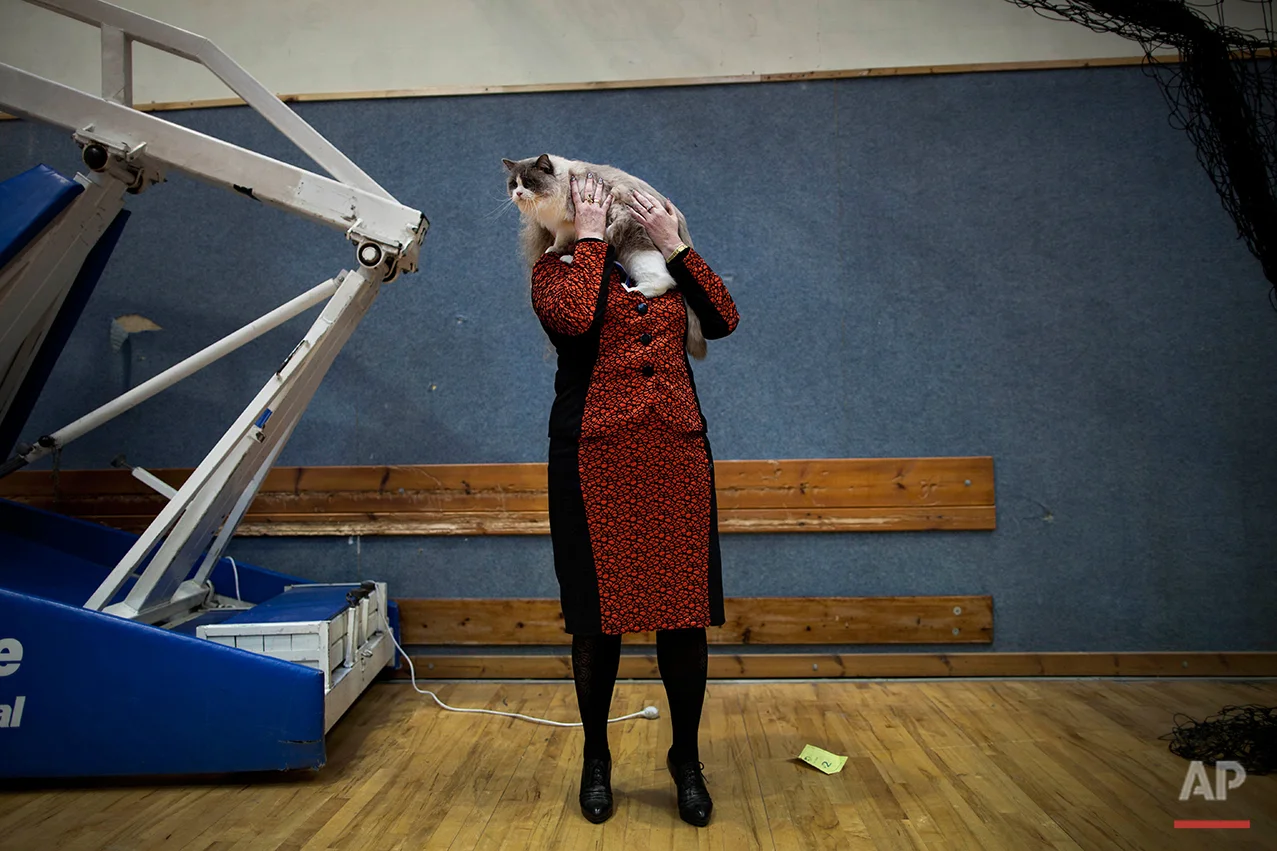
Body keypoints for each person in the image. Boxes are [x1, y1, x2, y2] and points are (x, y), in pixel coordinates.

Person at [528, 171, 739, 827]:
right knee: (597, 617)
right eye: (582, 206)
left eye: (599, 206)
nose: (594, 210)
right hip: (593, 455)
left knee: (682, 614)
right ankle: (596, 755)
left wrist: (675, 245)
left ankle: (685, 756)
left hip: (674, 449)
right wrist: (588, 241)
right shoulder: (552, 272)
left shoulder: (663, 268)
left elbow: (724, 320)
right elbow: (575, 318)